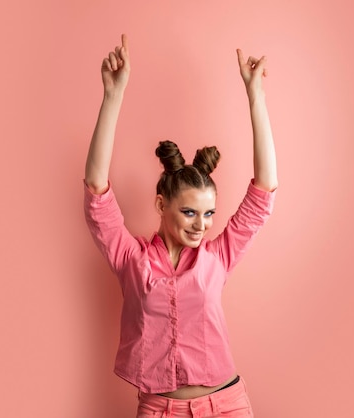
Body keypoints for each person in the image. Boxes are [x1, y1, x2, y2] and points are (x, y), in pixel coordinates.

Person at [84, 34, 277, 418]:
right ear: (161, 204)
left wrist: (256, 96)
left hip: (227, 406)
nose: (201, 225)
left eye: (208, 214)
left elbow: (264, 192)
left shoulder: (218, 256)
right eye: (189, 212)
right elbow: (95, 191)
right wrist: (112, 96)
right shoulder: (130, 259)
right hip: (159, 409)